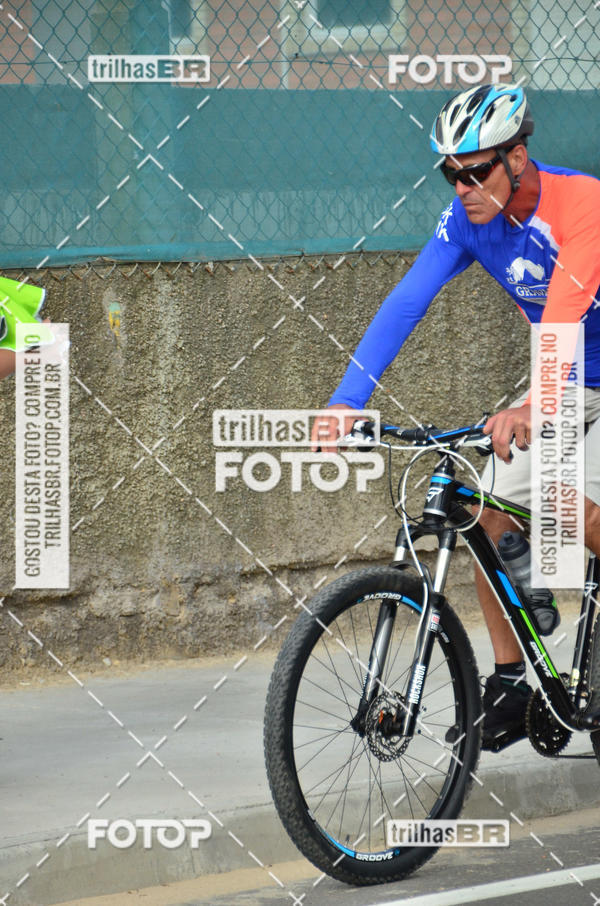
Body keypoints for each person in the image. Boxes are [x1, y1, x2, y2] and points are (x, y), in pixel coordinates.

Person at [311, 83, 600, 750]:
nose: (463, 187)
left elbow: (563, 313)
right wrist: (346, 401)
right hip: (572, 377)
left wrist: (531, 406)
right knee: (487, 513)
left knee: (574, 508)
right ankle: (512, 685)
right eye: (451, 174)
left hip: (565, 368)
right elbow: (407, 300)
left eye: (476, 172)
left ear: (517, 157)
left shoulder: (582, 202)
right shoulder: (467, 220)